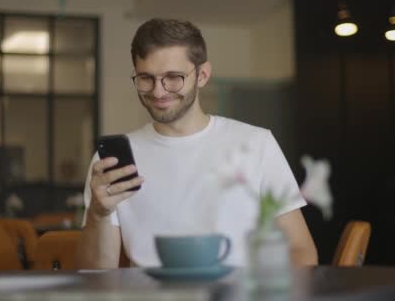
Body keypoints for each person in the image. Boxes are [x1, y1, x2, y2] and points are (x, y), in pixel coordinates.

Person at [76, 18, 317, 268]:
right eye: (146, 78)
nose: (158, 92)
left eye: (173, 77)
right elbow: (94, 276)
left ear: (202, 75)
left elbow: (300, 250)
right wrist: (98, 213)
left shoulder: (257, 144)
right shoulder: (111, 164)